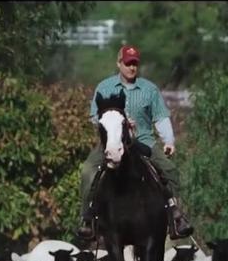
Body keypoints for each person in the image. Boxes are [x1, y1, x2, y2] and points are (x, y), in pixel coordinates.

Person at [76, 44, 194, 241]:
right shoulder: (104, 88)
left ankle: (176, 216)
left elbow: (161, 117)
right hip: (112, 143)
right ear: (119, 63)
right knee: (88, 170)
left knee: (170, 169)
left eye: (135, 64)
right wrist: (115, 120)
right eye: (128, 63)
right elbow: (94, 117)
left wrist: (169, 140)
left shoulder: (149, 89)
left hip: (143, 140)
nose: (132, 67)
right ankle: (87, 218)